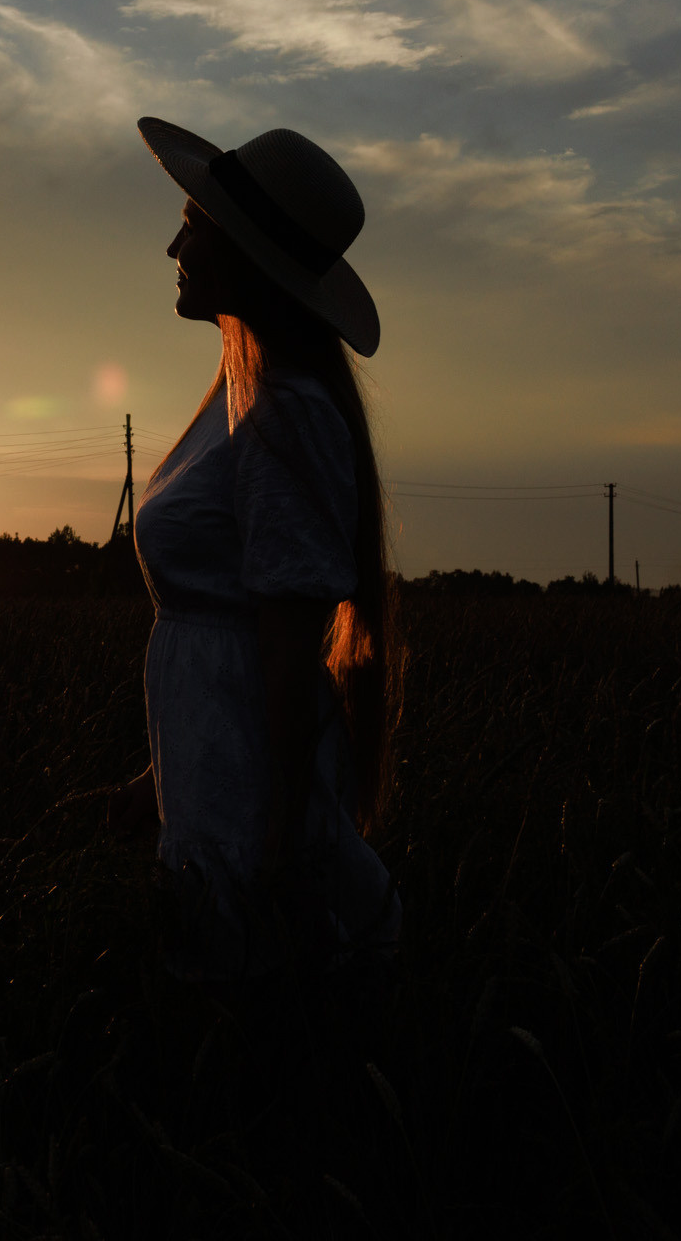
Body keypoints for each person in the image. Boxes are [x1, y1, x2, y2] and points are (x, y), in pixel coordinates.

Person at [108, 120, 401, 987]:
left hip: (243, 790)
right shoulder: (239, 398)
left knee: (248, 1019)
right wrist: (155, 774)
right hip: (211, 769)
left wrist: (274, 834)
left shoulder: (287, 413)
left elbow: (283, 643)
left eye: (195, 223)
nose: (175, 241)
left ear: (246, 250)